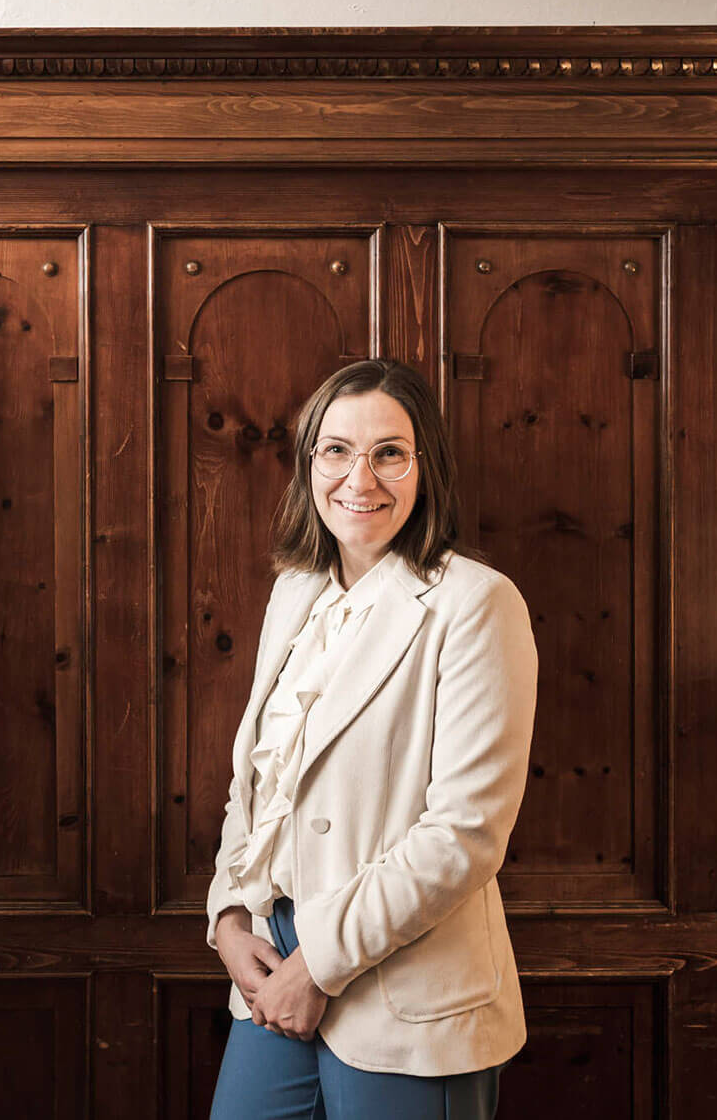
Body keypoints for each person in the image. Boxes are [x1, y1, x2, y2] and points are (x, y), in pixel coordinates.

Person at [205, 358, 537, 1119]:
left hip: (404, 983)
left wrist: (319, 963)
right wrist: (228, 916)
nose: (361, 477)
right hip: (269, 955)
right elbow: (256, 785)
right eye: (336, 450)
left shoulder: (476, 603)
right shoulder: (294, 591)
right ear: (309, 464)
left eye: (389, 451)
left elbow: (465, 834)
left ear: (426, 468)